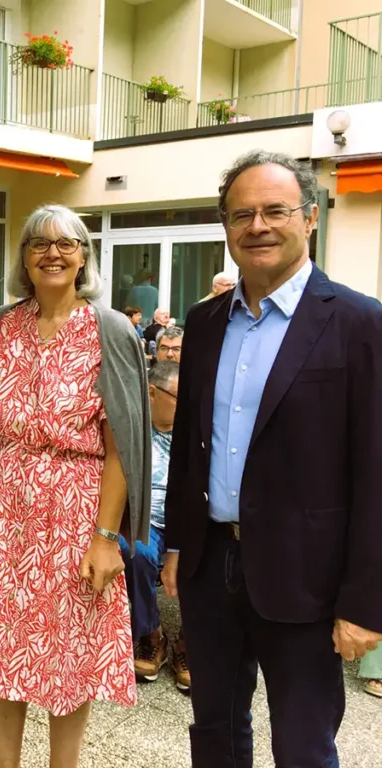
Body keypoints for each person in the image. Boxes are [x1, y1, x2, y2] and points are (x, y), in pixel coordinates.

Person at [162, 150, 382, 768]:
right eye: (241, 214)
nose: (257, 226)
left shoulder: (360, 324)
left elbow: (376, 471)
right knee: (215, 733)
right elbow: (189, 446)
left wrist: (365, 601)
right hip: (209, 566)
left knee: (303, 747)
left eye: (275, 211)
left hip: (307, 577)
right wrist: (177, 543)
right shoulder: (206, 322)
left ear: (309, 218)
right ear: (226, 227)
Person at [0, 204, 151, 768]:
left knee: (70, 652)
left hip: (75, 512)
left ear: (84, 256)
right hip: (1, 511)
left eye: (67, 243)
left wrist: (106, 537)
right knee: (2, 644)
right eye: (39, 243)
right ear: (24, 258)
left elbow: (121, 446)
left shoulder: (110, 330)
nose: (53, 253)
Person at [118, 361, 189, 691]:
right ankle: (151, 634)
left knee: (206, 556)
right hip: (145, 518)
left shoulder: (193, 434)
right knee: (138, 551)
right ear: (152, 392)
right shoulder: (134, 430)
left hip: (186, 518)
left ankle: (188, 642)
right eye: (176, 396)